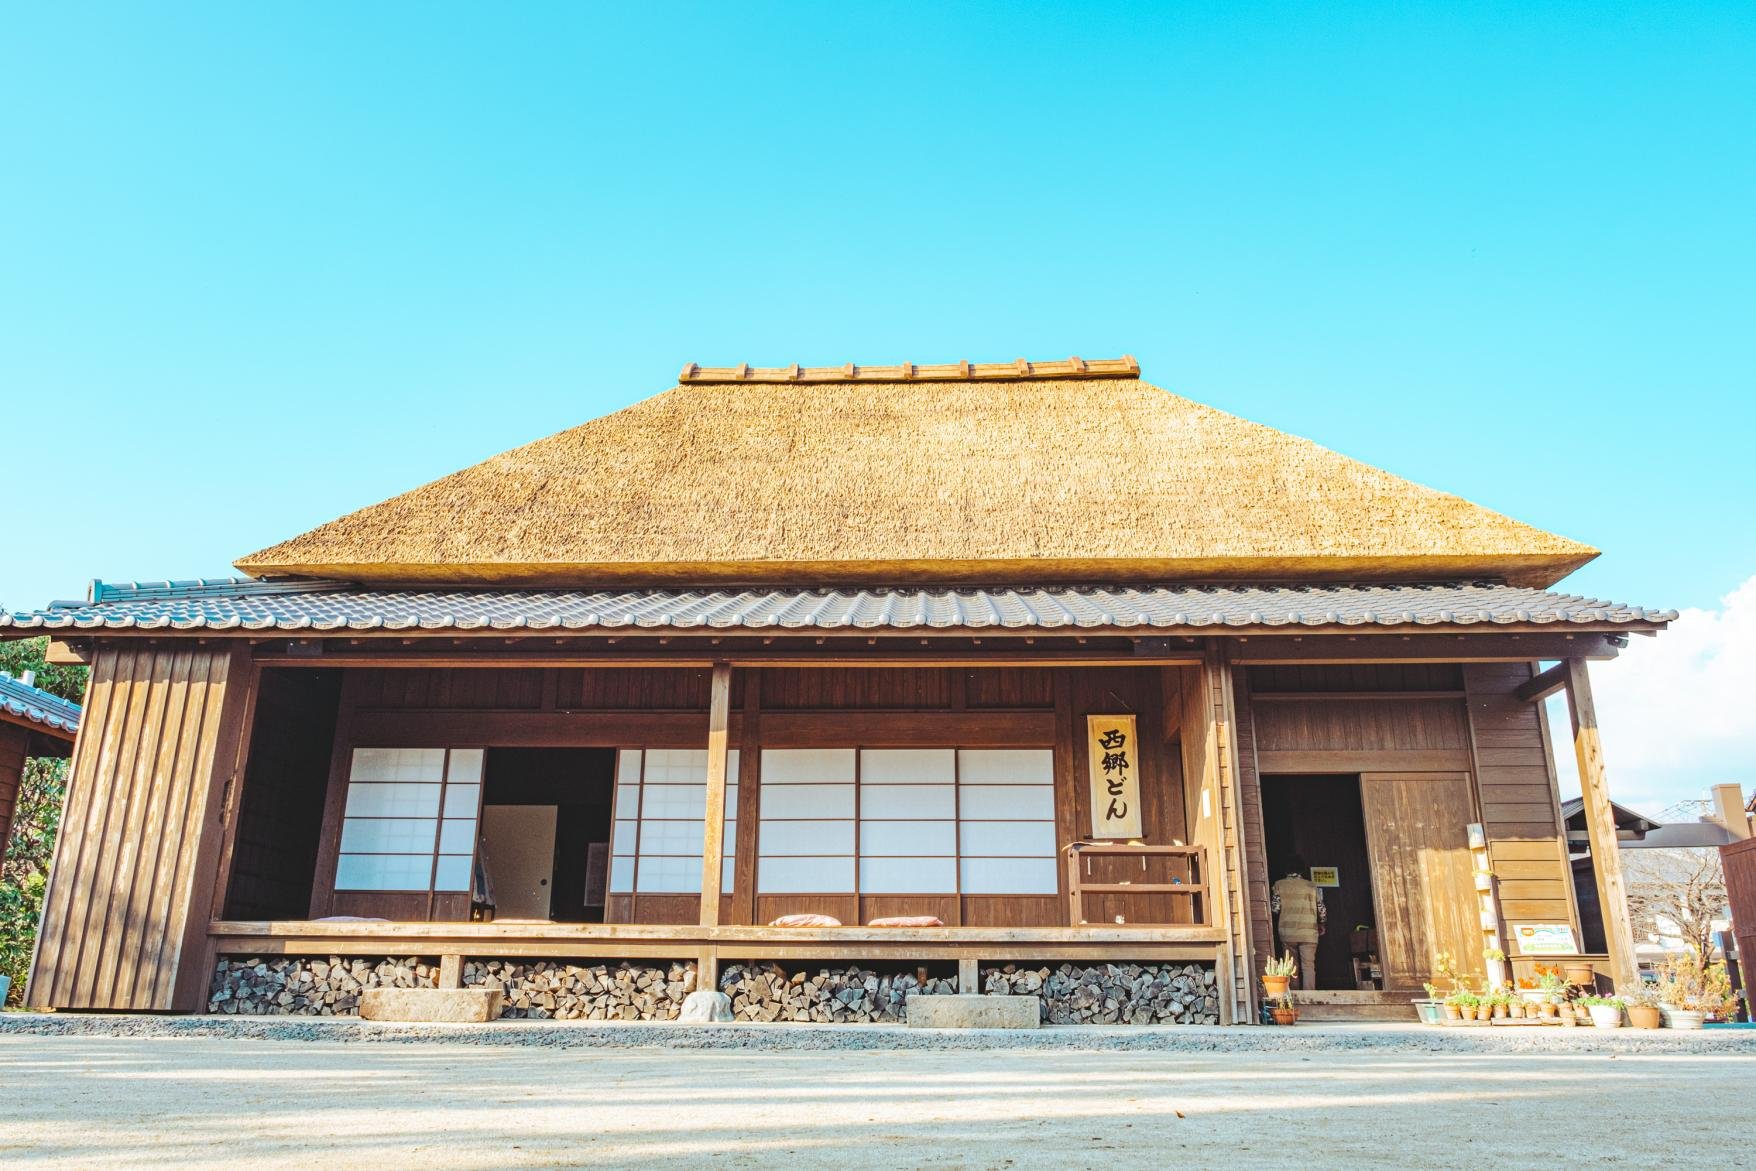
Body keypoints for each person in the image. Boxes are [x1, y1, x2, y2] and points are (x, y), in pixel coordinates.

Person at [1271, 860, 1326, 991]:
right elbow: (1321, 909)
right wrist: (1322, 923)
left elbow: (1275, 909)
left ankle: (1294, 996)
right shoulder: (1311, 886)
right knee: (1308, 966)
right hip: (1309, 932)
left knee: (1291, 966)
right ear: (1302, 870)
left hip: (1288, 932)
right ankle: (1310, 996)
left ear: (1286, 870)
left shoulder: (1279, 885)